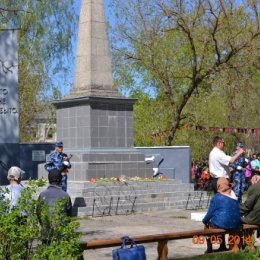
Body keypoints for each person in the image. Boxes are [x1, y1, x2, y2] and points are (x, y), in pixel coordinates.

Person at [202, 177, 241, 253]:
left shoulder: (216, 197)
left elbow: (209, 213)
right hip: (235, 224)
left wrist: (204, 221)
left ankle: (209, 249)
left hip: (222, 224)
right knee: (220, 220)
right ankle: (222, 245)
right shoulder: (234, 195)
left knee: (209, 225)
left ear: (218, 185)